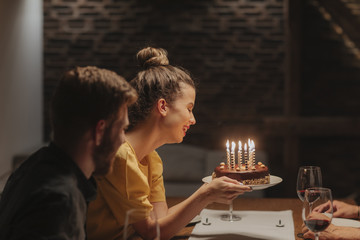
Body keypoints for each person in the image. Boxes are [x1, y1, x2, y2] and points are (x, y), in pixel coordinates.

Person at [86, 47, 252, 240]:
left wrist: (208, 196)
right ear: (163, 106)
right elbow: (151, 232)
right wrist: (205, 194)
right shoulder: (120, 155)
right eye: (189, 109)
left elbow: (160, 220)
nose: (193, 119)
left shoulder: (152, 158)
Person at [0, 66, 137, 240]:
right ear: (99, 131)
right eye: (122, 129)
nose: (123, 140)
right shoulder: (59, 200)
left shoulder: (32, 166)